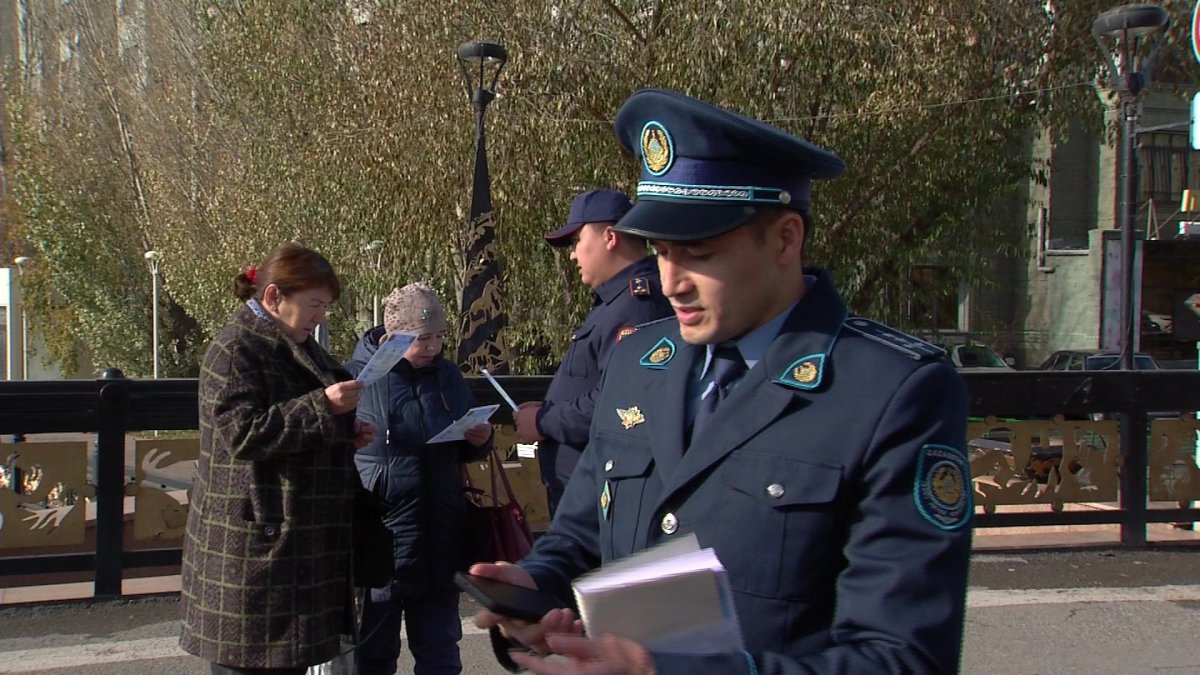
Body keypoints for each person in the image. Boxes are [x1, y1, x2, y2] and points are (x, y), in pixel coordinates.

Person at [471, 89, 973, 674]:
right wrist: (534, 588)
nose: (672, 280)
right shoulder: (639, 365)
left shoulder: (890, 392)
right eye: (660, 251)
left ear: (786, 239)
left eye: (699, 252)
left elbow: (903, 658)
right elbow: (582, 534)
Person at [180, 242, 376, 675]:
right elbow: (242, 433)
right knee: (250, 665)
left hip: (289, 550)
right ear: (273, 298)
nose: (320, 316)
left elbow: (293, 420)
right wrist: (325, 409)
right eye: (314, 304)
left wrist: (344, 430)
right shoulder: (236, 350)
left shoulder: (292, 342)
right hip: (254, 549)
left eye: (324, 306)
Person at [346, 282, 494, 675]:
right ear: (393, 335)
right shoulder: (358, 379)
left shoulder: (447, 376)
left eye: (440, 337)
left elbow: (465, 441)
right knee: (375, 652)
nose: (432, 347)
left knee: (441, 650)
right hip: (383, 534)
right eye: (422, 338)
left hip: (440, 529)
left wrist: (479, 439)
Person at [513, 189, 672, 517]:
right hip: (586, 488)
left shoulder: (637, 305)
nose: (573, 255)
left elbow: (621, 403)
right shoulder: (614, 303)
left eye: (577, 241)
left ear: (610, 236)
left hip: (607, 494)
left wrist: (543, 421)